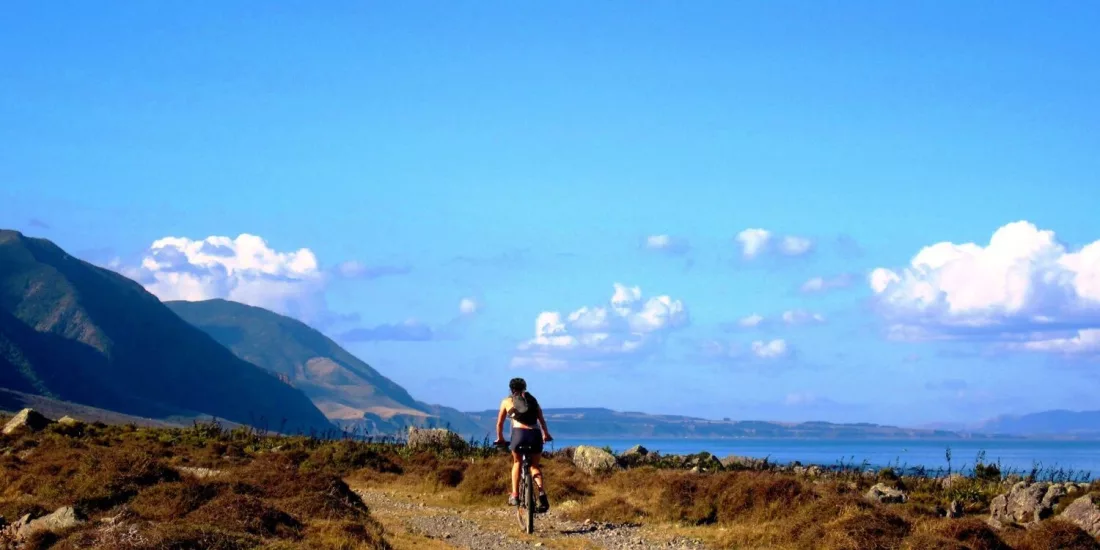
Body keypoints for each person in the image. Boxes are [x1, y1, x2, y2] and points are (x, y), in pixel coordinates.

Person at [494, 377, 553, 512]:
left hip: (519, 435)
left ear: (511, 389)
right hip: (535, 435)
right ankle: (542, 494)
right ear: (524, 388)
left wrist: (500, 439)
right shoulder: (532, 401)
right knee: (534, 466)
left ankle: (515, 495)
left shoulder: (506, 401)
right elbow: (542, 421)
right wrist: (546, 435)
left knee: (517, 462)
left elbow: (499, 424)